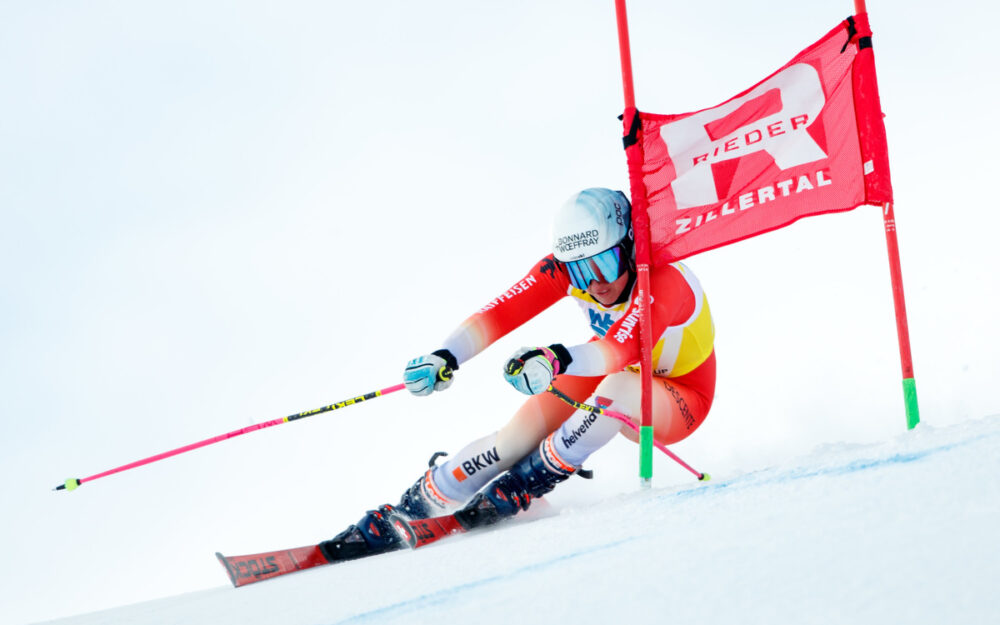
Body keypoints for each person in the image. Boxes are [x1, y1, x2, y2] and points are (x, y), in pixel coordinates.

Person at [320, 188, 716, 561]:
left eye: (606, 263)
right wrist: (446, 354)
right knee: (512, 440)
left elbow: (619, 351)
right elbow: (501, 313)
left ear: (630, 246)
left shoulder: (664, 279)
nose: (595, 282)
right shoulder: (571, 270)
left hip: (678, 400)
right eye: (579, 271)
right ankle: (416, 505)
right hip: (608, 375)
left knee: (620, 386)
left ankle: (527, 483)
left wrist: (554, 358)